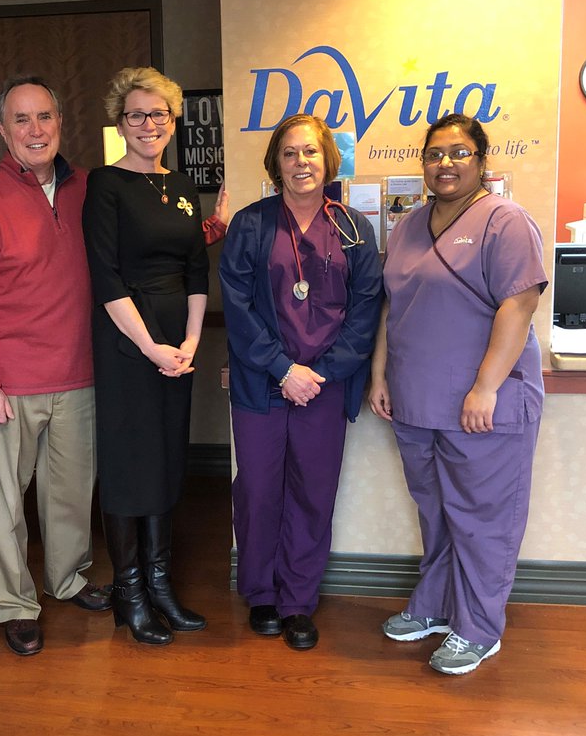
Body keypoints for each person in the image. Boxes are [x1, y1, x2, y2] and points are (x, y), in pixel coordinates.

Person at [367, 112, 546, 676]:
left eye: (459, 152)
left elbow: (520, 303)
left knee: (482, 519)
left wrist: (486, 387)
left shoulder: (505, 222)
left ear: (481, 161)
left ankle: (478, 628)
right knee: (437, 512)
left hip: (481, 403)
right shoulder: (408, 226)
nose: (445, 163)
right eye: (435, 154)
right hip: (416, 400)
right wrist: (380, 376)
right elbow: (392, 306)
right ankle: (436, 605)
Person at [0, 76, 112, 659]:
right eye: (21, 119)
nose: (35, 130)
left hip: (79, 373)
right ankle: (15, 605)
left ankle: (66, 579)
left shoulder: (88, 188)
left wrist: (211, 227)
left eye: (45, 117)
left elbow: (142, 244)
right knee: (2, 505)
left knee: (70, 494)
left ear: (60, 123)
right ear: (2, 129)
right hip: (6, 385)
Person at [219, 113, 382, 651]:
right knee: (258, 489)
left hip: (324, 387)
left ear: (328, 160)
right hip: (262, 383)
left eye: (310, 151)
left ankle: (297, 601)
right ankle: (262, 593)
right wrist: (283, 369)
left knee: (313, 492)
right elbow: (237, 307)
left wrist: (323, 373)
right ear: (276, 164)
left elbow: (365, 310)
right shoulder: (250, 224)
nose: (301, 162)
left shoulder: (355, 229)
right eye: (289, 153)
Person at [82, 66, 209, 646]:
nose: (148, 124)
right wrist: (150, 346)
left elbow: (197, 271)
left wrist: (190, 342)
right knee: (129, 462)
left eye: (159, 114)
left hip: (177, 343)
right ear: (120, 123)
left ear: (173, 121)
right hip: (127, 340)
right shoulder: (105, 184)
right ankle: (129, 593)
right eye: (136, 115)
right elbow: (105, 277)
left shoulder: (182, 186)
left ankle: (160, 585)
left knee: (165, 458)